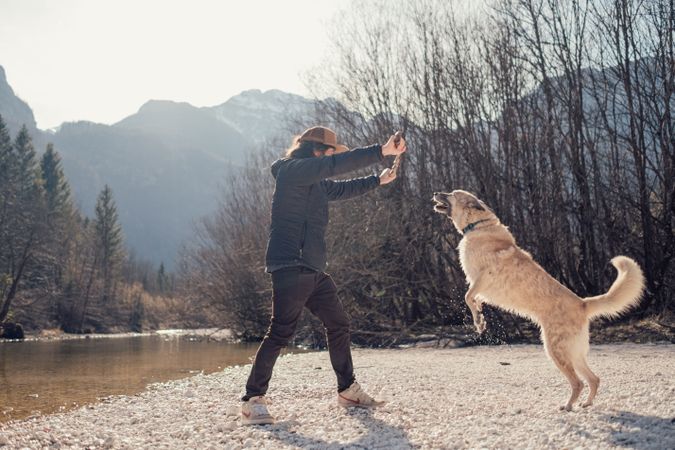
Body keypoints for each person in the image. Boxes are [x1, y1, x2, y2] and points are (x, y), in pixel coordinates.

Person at [240, 126, 407, 425]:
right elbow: (333, 167)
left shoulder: (315, 182)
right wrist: (381, 152)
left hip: (312, 268)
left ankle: (347, 390)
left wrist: (377, 181)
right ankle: (252, 400)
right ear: (316, 150)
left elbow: (341, 188)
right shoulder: (292, 171)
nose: (332, 156)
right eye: (329, 151)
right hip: (290, 265)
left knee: (338, 323)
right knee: (280, 332)